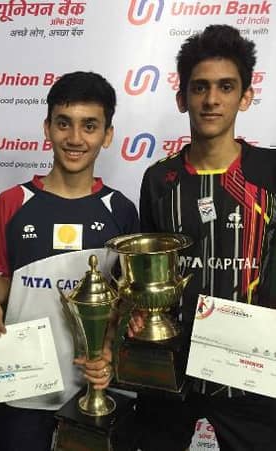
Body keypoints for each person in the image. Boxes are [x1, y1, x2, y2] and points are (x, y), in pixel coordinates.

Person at [0, 71, 140, 451]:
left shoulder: (121, 211)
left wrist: (108, 349)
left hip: (90, 387)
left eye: (89, 126)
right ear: (47, 128)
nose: (75, 138)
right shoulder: (12, 202)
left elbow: (125, 302)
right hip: (20, 387)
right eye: (64, 123)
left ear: (107, 135)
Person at [133, 24, 276, 451]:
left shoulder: (269, 173)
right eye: (200, 87)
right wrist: (139, 313)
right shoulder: (159, 180)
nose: (212, 99)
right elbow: (148, 276)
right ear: (182, 98)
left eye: (225, 87)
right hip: (171, 370)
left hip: (252, 375)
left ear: (246, 97)